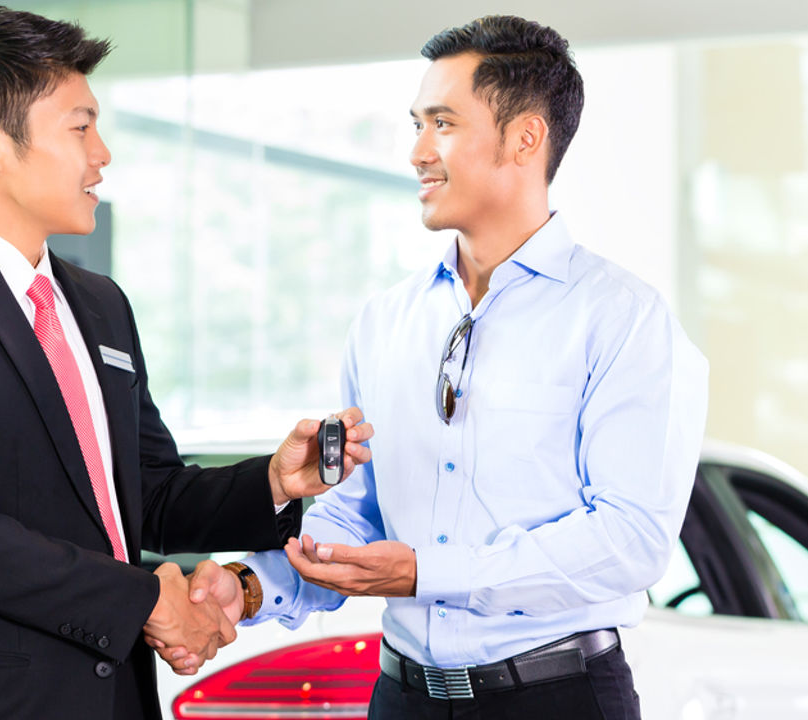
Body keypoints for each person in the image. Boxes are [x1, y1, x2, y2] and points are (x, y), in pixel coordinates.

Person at [0, 3, 371, 719]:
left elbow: (144, 496)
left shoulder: (98, 305)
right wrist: (148, 600)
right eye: (81, 127)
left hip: (115, 697)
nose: (103, 155)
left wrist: (273, 482)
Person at [175, 14, 708, 720]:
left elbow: (629, 541)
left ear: (526, 136)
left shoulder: (622, 320)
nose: (418, 151)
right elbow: (353, 516)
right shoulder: (385, 322)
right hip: (403, 699)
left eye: (443, 124)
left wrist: (427, 571)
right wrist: (251, 586)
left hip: (556, 698)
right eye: (417, 125)